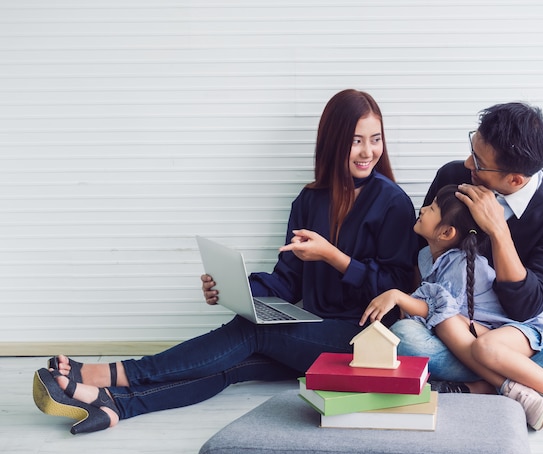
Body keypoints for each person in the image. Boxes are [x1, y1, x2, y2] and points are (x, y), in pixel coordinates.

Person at [32, 89, 420, 434]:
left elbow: (396, 287)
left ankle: (111, 374)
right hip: (312, 333)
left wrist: (335, 258)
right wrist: (236, 289)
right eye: (356, 141)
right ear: (334, 142)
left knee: (253, 331)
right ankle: (116, 406)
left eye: (375, 139)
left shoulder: (392, 203)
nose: (368, 151)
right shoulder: (310, 200)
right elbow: (288, 281)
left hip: (363, 340)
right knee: (232, 364)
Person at [390, 102, 543, 397]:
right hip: (456, 326)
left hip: (526, 329)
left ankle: (483, 386)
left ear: (515, 179)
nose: (467, 164)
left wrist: (498, 231)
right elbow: (421, 256)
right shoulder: (454, 177)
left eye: (478, 161)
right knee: (404, 337)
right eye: (472, 149)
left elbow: (527, 307)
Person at [361, 184, 543, 431]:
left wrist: (397, 296)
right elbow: (438, 312)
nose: (424, 209)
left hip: (519, 330)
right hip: (476, 335)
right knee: (416, 332)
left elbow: (437, 308)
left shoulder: (458, 262)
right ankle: (520, 383)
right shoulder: (424, 258)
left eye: (431, 208)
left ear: (446, 232)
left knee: (477, 342)